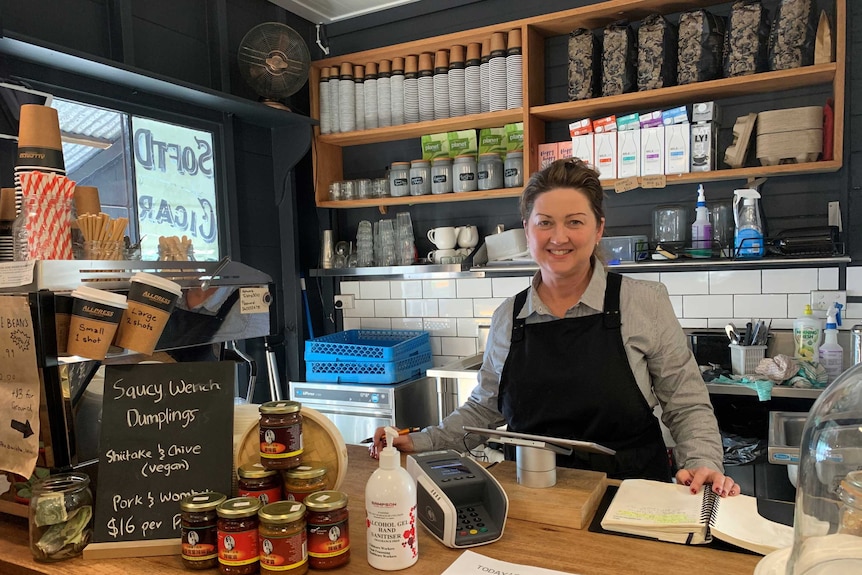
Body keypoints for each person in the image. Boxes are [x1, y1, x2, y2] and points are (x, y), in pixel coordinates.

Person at [370, 158, 740, 498]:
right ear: (527, 231)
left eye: (575, 222)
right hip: (532, 496)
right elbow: (484, 408)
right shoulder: (507, 317)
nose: (558, 237)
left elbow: (686, 403)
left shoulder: (643, 302)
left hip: (633, 496)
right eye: (544, 222)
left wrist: (703, 462)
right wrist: (421, 441)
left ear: (598, 230)